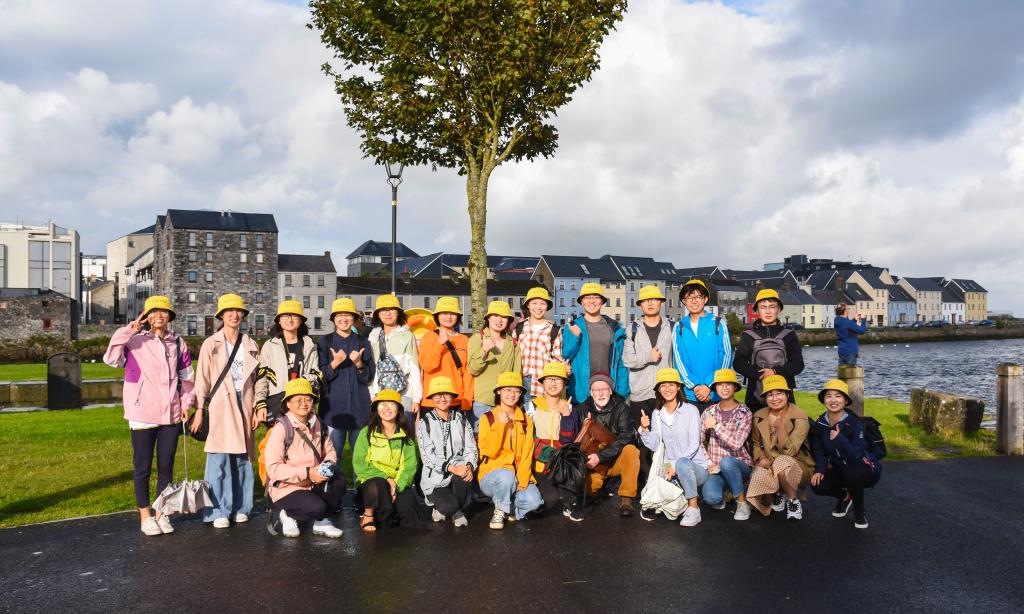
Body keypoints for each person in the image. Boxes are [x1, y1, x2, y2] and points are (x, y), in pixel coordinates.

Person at [103, 295, 194, 536]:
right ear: (146, 316)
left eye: (163, 311)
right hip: (142, 413)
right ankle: (145, 517)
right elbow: (110, 358)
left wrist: (187, 403)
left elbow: (187, 377)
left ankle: (162, 513)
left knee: (166, 467)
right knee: (142, 467)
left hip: (171, 414)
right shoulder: (134, 340)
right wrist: (129, 330)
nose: (158, 315)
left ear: (169, 316)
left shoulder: (178, 343)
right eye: (153, 312)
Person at [191, 294, 261, 529]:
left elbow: (258, 379)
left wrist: (257, 407)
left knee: (243, 457)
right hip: (221, 404)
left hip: (245, 403)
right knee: (219, 458)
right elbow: (202, 379)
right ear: (221, 315)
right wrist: (199, 409)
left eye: (238, 311)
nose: (234, 315)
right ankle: (217, 510)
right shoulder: (211, 344)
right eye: (229, 311)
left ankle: (241, 507)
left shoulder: (250, 344)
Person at [264, 378, 345, 538]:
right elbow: (273, 468)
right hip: (287, 488)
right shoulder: (281, 428)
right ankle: (288, 514)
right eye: (298, 400)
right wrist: (308, 472)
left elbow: (330, 452)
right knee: (317, 508)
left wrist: (324, 468)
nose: (304, 404)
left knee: (339, 480)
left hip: (313, 482)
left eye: (308, 399)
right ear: (288, 404)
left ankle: (321, 522)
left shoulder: (318, 423)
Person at [638, 368, 708, 527]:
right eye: (663, 385)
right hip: (668, 466)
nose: (667, 389)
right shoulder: (657, 413)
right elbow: (655, 444)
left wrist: (675, 465)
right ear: (658, 390)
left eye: (671, 384)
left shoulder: (691, 410)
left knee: (682, 463)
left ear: (678, 387)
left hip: (694, 467)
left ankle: (694, 508)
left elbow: (694, 445)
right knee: (659, 497)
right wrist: (644, 429)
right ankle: (681, 496)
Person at [810, 379, 881, 529]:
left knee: (851, 471)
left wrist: (839, 439)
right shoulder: (820, 423)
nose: (833, 400)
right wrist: (820, 469)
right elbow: (818, 450)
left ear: (846, 401)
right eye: (829, 396)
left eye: (838, 396)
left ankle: (859, 511)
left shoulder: (855, 423)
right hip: (840, 467)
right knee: (817, 484)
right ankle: (845, 497)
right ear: (823, 400)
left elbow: (854, 457)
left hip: (865, 468)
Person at [317, 297, 375, 481]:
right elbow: (320, 377)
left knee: (361, 457)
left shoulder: (363, 342)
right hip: (333, 410)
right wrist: (334, 364)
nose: (344, 319)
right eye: (339, 315)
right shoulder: (324, 342)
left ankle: (362, 492)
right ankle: (333, 492)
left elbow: (368, 377)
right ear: (333, 319)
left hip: (360, 408)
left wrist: (359, 364)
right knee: (332, 456)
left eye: (348, 315)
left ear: (354, 318)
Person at [477, 372, 544, 529]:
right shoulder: (488, 418)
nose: (512, 394)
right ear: (499, 391)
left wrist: (523, 478)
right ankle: (500, 510)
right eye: (507, 390)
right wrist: (500, 425)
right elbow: (490, 452)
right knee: (506, 476)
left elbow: (527, 453)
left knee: (534, 501)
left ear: (520, 394)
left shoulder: (526, 420)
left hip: (517, 475)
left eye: (516, 391)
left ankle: (510, 507)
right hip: (492, 476)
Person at [353, 389, 423, 531]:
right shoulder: (366, 432)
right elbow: (359, 463)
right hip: (371, 484)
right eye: (382, 404)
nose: (386, 408)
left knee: (409, 512)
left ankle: (391, 512)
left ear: (399, 408)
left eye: (391, 404)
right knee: (378, 486)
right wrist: (386, 478)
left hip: (397, 482)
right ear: (376, 409)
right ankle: (368, 516)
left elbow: (410, 466)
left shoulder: (406, 435)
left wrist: (396, 486)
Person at [746, 375, 813, 520]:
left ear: (787, 395)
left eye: (779, 393)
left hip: (796, 464)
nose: (774, 398)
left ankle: (793, 501)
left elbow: (790, 452)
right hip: (769, 461)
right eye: (770, 394)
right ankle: (778, 494)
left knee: (781, 462)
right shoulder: (759, 415)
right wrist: (760, 458)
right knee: (757, 484)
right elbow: (755, 442)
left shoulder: (799, 416)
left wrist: (781, 428)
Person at [575, 371, 641, 517]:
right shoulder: (581, 409)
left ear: (610, 391)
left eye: (604, 389)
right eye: (596, 390)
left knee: (631, 450)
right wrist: (584, 428)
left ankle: (626, 497)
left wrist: (601, 456)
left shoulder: (621, 408)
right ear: (591, 393)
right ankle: (598, 490)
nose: (600, 393)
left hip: (615, 460)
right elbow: (574, 441)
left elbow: (627, 436)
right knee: (587, 491)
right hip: (593, 465)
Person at [416, 376, 478, 527]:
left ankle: (457, 511)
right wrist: (451, 468)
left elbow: (471, 448)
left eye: (446, 394)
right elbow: (427, 456)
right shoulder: (425, 422)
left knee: (464, 477)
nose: (442, 399)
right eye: (437, 395)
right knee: (449, 506)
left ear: (452, 397)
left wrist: (469, 466)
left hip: (458, 471)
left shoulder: (461, 420)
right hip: (435, 479)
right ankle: (451, 509)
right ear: (432, 397)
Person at [733, 289, 804, 412]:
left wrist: (775, 372)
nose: (768, 311)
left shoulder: (789, 335)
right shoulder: (748, 336)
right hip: (755, 398)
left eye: (772, 307)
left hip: (785, 397)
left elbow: (798, 364)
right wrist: (761, 373)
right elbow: (738, 363)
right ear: (757, 310)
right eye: (763, 307)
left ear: (778, 309)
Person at [530, 361, 584, 521]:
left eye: (558, 379)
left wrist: (566, 416)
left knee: (572, 460)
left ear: (564, 384)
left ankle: (570, 502)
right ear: (542, 383)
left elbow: (570, 441)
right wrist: (550, 454)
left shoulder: (571, 408)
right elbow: (529, 439)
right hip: (541, 463)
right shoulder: (531, 407)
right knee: (550, 501)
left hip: (562, 464)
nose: (553, 383)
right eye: (549, 379)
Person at [254, 300, 322, 425]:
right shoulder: (269, 346)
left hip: (302, 404)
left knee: (304, 436)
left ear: (301, 320)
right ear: (279, 321)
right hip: (278, 403)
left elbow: (316, 374)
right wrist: (260, 403)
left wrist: (303, 381)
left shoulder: (309, 345)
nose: (289, 320)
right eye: (285, 316)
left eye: (294, 316)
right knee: (278, 436)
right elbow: (262, 377)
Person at [562, 282, 630, 405]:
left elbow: (621, 362)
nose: (592, 301)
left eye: (596, 297)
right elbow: (566, 356)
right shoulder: (573, 327)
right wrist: (575, 337)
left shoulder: (614, 328)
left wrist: (622, 392)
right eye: (587, 297)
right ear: (582, 302)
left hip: (607, 390)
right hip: (581, 391)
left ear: (602, 301)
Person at [699, 369, 753, 521]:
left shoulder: (744, 412)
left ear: (735, 387)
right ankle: (728, 489)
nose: (724, 387)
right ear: (715, 388)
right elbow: (699, 441)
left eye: (728, 384)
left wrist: (716, 425)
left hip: (739, 465)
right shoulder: (709, 412)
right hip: (717, 468)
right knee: (711, 498)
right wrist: (709, 463)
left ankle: (741, 502)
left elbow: (737, 444)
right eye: (720, 384)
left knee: (727, 462)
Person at [671, 279, 732, 411]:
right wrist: (695, 386)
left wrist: (709, 385)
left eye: (698, 297)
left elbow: (725, 356)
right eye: (689, 297)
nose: (694, 301)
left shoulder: (718, 323)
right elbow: (678, 360)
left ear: (705, 299)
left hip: (715, 393)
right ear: (684, 301)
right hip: (690, 395)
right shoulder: (679, 327)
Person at [467, 300, 522, 431]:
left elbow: (516, 374)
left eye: (504, 317)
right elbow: (472, 369)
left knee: (504, 437)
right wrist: (484, 350)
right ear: (488, 318)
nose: (499, 320)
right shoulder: (477, 338)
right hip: (483, 400)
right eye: (495, 315)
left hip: (505, 401)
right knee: (481, 437)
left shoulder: (513, 343)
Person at [368, 294, 422, 422]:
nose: (387, 313)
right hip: (380, 395)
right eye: (383, 310)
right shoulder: (373, 337)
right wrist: (372, 394)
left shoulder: (407, 336)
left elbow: (415, 368)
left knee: (405, 431)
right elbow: (372, 369)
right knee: (383, 432)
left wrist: (416, 399)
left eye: (391, 309)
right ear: (378, 314)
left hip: (404, 395)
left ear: (398, 312)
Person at [511, 286, 563, 415]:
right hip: (522, 382)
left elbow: (557, 358)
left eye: (542, 303)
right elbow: (512, 355)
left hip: (542, 382)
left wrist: (564, 368)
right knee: (523, 419)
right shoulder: (519, 328)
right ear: (528, 305)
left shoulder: (554, 330)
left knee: (541, 419)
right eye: (534, 303)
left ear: (547, 306)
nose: (538, 307)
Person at [418, 296, 473, 415]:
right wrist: (439, 344)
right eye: (444, 313)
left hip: (456, 400)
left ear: (458, 316)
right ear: (437, 316)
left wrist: (467, 399)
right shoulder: (429, 337)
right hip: (432, 401)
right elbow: (427, 366)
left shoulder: (464, 340)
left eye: (452, 313)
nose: (448, 317)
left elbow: (468, 373)